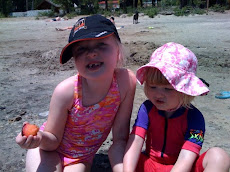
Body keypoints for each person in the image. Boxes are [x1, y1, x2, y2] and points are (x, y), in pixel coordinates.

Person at [16, 14, 136, 172]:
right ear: (74, 59)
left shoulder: (126, 82)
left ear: (118, 51)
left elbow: (120, 138)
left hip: (81, 157)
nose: (91, 53)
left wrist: (122, 169)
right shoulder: (65, 91)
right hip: (48, 150)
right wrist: (38, 139)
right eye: (81, 49)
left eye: (101, 44)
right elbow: (53, 140)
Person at [123, 42, 230, 172]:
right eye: (152, 86)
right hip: (150, 165)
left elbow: (187, 156)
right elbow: (136, 141)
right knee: (119, 148)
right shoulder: (147, 109)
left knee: (219, 156)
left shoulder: (194, 117)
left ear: (184, 90)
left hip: (182, 167)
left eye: (168, 89)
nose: (158, 94)